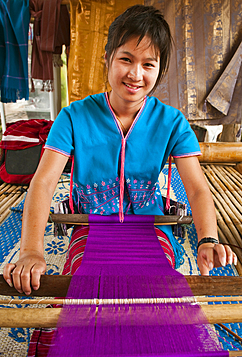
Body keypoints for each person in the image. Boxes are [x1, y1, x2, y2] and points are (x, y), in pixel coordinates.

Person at [3, 4, 237, 296]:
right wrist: (30, 251)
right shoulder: (73, 117)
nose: (135, 74)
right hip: (91, 226)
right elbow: (44, 182)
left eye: (148, 65)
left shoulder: (172, 122)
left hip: (150, 228)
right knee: (82, 296)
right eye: (126, 59)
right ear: (108, 60)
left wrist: (207, 241)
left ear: (159, 69)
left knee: (156, 296)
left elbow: (198, 189)